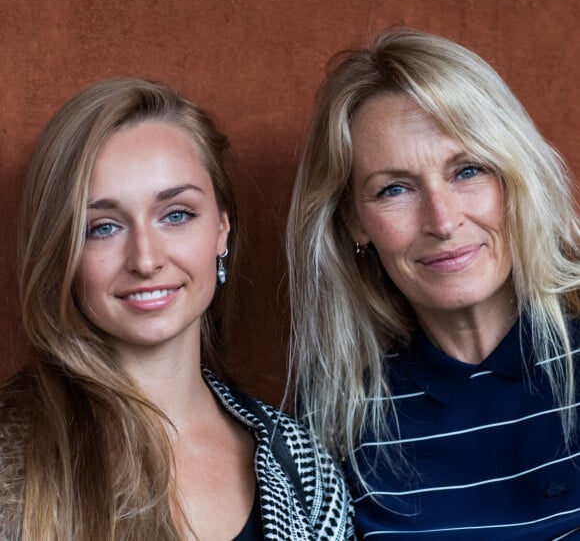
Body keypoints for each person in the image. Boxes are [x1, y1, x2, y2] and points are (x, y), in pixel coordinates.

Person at [0, 77, 353, 540]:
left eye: (176, 215)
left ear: (222, 228)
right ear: (62, 250)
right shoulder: (11, 455)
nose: (146, 260)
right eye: (103, 227)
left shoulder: (304, 466)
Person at [287, 28, 580, 539]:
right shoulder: (338, 411)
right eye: (394, 189)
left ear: (516, 179)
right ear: (355, 221)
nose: (442, 221)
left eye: (468, 170)